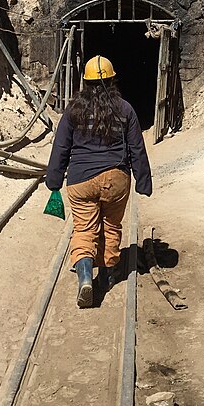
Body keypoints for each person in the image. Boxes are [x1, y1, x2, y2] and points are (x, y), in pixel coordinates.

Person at [45, 55, 152, 308]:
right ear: (113, 80)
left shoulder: (73, 111)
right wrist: (143, 181)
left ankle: (85, 277)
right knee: (111, 226)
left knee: (84, 229)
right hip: (116, 179)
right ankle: (106, 275)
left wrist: (54, 181)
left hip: (81, 181)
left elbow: (61, 148)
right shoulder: (125, 109)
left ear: (85, 82)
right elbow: (137, 148)